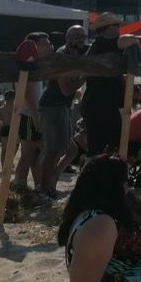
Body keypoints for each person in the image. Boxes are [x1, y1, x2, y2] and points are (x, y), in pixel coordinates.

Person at [82, 13, 141, 156]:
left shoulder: (105, 45)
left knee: (112, 147)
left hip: (107, 106)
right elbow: (129, 40)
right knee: (98, 150)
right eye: (117, 26)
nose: (119, 29)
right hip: (98, 106)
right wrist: (139, 40)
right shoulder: (101, 43)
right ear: (108, 28)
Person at [38, 25, 88, 198]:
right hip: (52, 106)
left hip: (63, 106)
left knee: (67, 149)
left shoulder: (77, 55)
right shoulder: (62, 56)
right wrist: (86, 75)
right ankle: (43, 188)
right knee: (52, 150)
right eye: (77, 36)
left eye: (83, 36)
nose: (81, 39)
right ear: (68, 38)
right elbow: (66, 90)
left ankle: (50, 183)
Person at [15, 32, 54, 191]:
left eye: (49, 43)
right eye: (45, 44)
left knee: (36, 155)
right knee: (28, 154)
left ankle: (37, 186)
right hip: (30, 115)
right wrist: (36, 118)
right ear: (34, 45)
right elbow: (28, 95)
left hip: (37, 115)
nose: (49, 46)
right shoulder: (28, 62)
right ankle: (19, 186)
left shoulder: (39, 65)